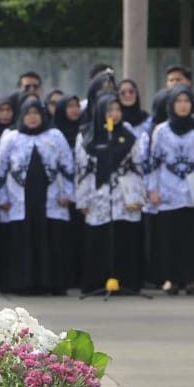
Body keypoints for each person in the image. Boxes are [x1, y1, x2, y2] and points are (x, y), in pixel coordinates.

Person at [0, 96, 74, 294]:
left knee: (50, 238)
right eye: (28, 114)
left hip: (50, 197)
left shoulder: (55, 135)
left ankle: (51, 283)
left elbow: (68, 167)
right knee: (22, 240)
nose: (32, 118)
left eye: (36, 113)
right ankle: (22, 283)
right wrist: (2, 198)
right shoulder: (11, 137)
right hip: (18, 199)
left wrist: (68, 194)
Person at [74, 91, 147, 292]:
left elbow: (137, 167)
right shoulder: (86, 137)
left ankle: (126, 282)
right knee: (98, 240)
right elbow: (81, 170)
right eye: (109, 110)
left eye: (117, 110)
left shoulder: (129, 136)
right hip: (96, 196)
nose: (114, 114)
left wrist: (138, 196)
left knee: (124, 239)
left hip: (123, 196)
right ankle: (97, 282)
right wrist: (82, 200)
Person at [146, 84, 194, 294]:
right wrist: (152, 189)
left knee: (191, 237)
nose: (183, 106)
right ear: (171, 104)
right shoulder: (161, 131)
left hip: (193, 190)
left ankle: (191, 278)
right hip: (167, 189)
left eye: (187, 101)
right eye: (178, 101)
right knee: (169, 237)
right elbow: (154, 162)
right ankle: (171, 278)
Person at [164, 65, 194, 129]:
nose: (174, 83)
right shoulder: (162, 104)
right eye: (171, 80)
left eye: (178, 80)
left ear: (189, 82)